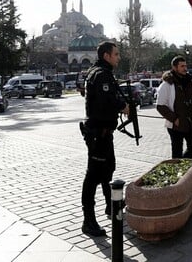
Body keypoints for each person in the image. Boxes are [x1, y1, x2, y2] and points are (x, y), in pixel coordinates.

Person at [81, 41, 129, 237]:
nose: (119, 57)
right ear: (106, 56)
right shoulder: (101, 75)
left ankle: (112, 206)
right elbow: (105, 101)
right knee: (93, 176)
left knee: (107, 170)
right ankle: (88, 220)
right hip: (98, 134)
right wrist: (122, 106)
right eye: (116, 54)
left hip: (104, 133)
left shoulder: (102, 72)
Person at [156, 56, 192, 159]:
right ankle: (178, 172)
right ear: (175, 67)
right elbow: (160, 105)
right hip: (175, 124)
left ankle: (183, 169)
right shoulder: (167, 84)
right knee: (177, 152)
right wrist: (174, 119)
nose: (185, 68)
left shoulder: (190, 81)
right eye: (182, 66)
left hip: (190, 123)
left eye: (185, 66)